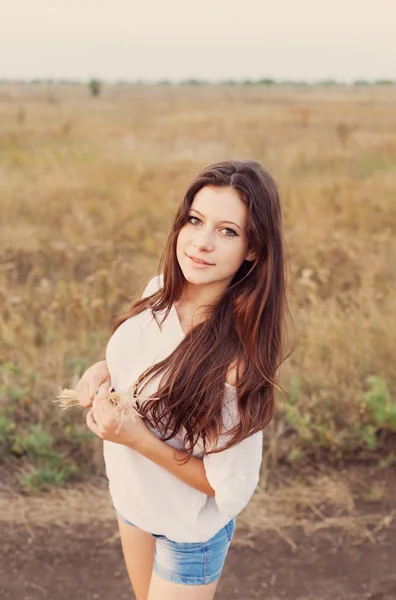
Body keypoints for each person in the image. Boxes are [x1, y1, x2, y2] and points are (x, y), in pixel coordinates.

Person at [75, 159, 291, 600]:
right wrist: (104, 370)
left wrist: (136, 439)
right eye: (195, 220)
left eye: (228, 231)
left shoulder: (237, 361)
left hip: (187, 528)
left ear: (253, 249)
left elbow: (224, 485)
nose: (201, 243)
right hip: (135, 501)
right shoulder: (158, 290)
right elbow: (150, 360)